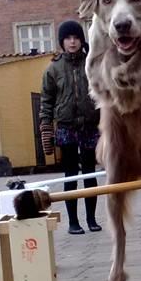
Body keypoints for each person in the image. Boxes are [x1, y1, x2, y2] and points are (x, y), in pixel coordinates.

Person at [39, 20, 102, 234]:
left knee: (89, 174)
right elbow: (46, 100)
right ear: (62, 42)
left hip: (89, 125)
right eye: (68, 38)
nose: (72, 42)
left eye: (76, 38)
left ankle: (91, 219)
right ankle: (73, 222)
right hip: (65, 126)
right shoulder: (53, 69)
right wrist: (45, 126)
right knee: (70, 174)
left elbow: (104, 93)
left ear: (81, 40)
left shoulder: (92, 64)